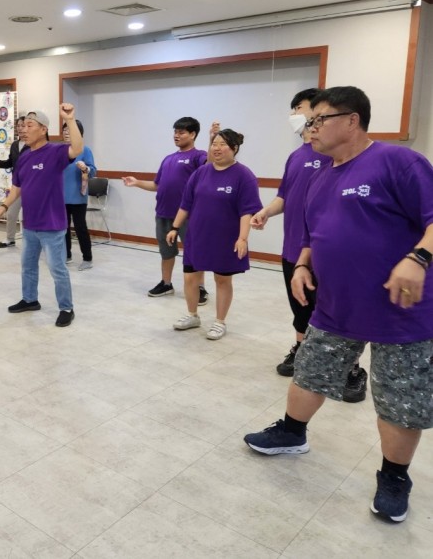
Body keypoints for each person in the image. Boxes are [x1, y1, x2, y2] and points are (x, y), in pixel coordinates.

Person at [244, 86, 433, 524]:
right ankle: (292, 432)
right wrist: (302, 265)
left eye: (317, 120)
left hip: (400, 309)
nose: (309, 129)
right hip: (335, 305)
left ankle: (394, 476)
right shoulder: (320, 177)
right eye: (308, 122)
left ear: (351, 120)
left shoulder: (398, 162)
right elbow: (315, 233)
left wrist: (418, 258)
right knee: (310, 372)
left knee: (400, 400)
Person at [251, 89, 367, 401]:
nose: (298, 117)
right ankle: (302, 351)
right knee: (301, 308)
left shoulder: (336, 156)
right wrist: (265, 212)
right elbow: (285, 196)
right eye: (296, 111)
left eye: (302, 109)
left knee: (336, 315)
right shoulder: (297, 157)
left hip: (328, 255)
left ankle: (352, 369)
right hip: (295, 248)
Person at [166, 128, 262, 340]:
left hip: (225, 238)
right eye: (214, 144)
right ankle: (192, 315)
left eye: (222, 144)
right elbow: (186, 204)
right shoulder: (200, 173)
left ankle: (220, 322)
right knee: (190, 277)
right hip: (198, 235)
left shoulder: (244, 175)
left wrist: (242, 238)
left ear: (234, 148)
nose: (217, 149)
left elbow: (247, 211)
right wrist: (175, 227)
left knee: (222, 280)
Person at [0, 105, 83, 327]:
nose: (23, 129)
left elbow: (77, 148)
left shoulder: (55, 152)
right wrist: (5, 205)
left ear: (43, 129)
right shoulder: (23, 157)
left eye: (29, 125)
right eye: (22, 126)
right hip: (30, 225)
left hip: (52, 225)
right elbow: (17, 188)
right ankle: (30, 299)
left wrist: (70, 120)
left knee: (57, 268)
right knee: (28, 265)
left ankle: (66, 308)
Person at [122, 117, 209, 304]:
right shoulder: (168, 159)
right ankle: (166, 283)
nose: (176, 135)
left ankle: (199, 287)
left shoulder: (198, 156)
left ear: (192, 134)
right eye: (175, 132)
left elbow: (209, 166)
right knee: (166, 252)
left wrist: (213, 138)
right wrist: (137, 182)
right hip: (163, 213)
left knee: (194, 252)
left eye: (181, 132)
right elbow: (157, 185)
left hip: (188, 215)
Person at [62, 118, 96, 270]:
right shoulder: (61, 150)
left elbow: (93, 171)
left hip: (78, 197)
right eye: (64, 130)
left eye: (70, 130)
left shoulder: (85, 150)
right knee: (63, 228)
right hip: (61, 197)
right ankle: (66, 255)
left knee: (80, 227)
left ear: (79, 133)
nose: (66, 133)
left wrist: (85, 168)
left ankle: (87, 258)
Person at [0, 115, 29, 247]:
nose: (20, 128)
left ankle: (36, 241)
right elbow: (10, 162)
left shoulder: (33, 145)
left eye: (23, 125)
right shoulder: (14, 145)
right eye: (18, 126)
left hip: (30, 185)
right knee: (11, 213)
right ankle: (10, 238)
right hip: (16, 186)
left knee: (31, 216)